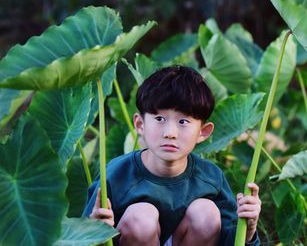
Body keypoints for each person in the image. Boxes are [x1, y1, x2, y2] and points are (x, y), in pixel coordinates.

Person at [83, 65, 261, 246]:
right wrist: (96, 230)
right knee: (141, 218)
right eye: (160, 119)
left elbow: (228, 242)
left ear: (203, 132)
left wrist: (248, 231)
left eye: (183, 121)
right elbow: (80, 238)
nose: (170, 133)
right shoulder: (115, 175)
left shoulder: (211, 178)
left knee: (206, 214)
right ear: (140, 124)